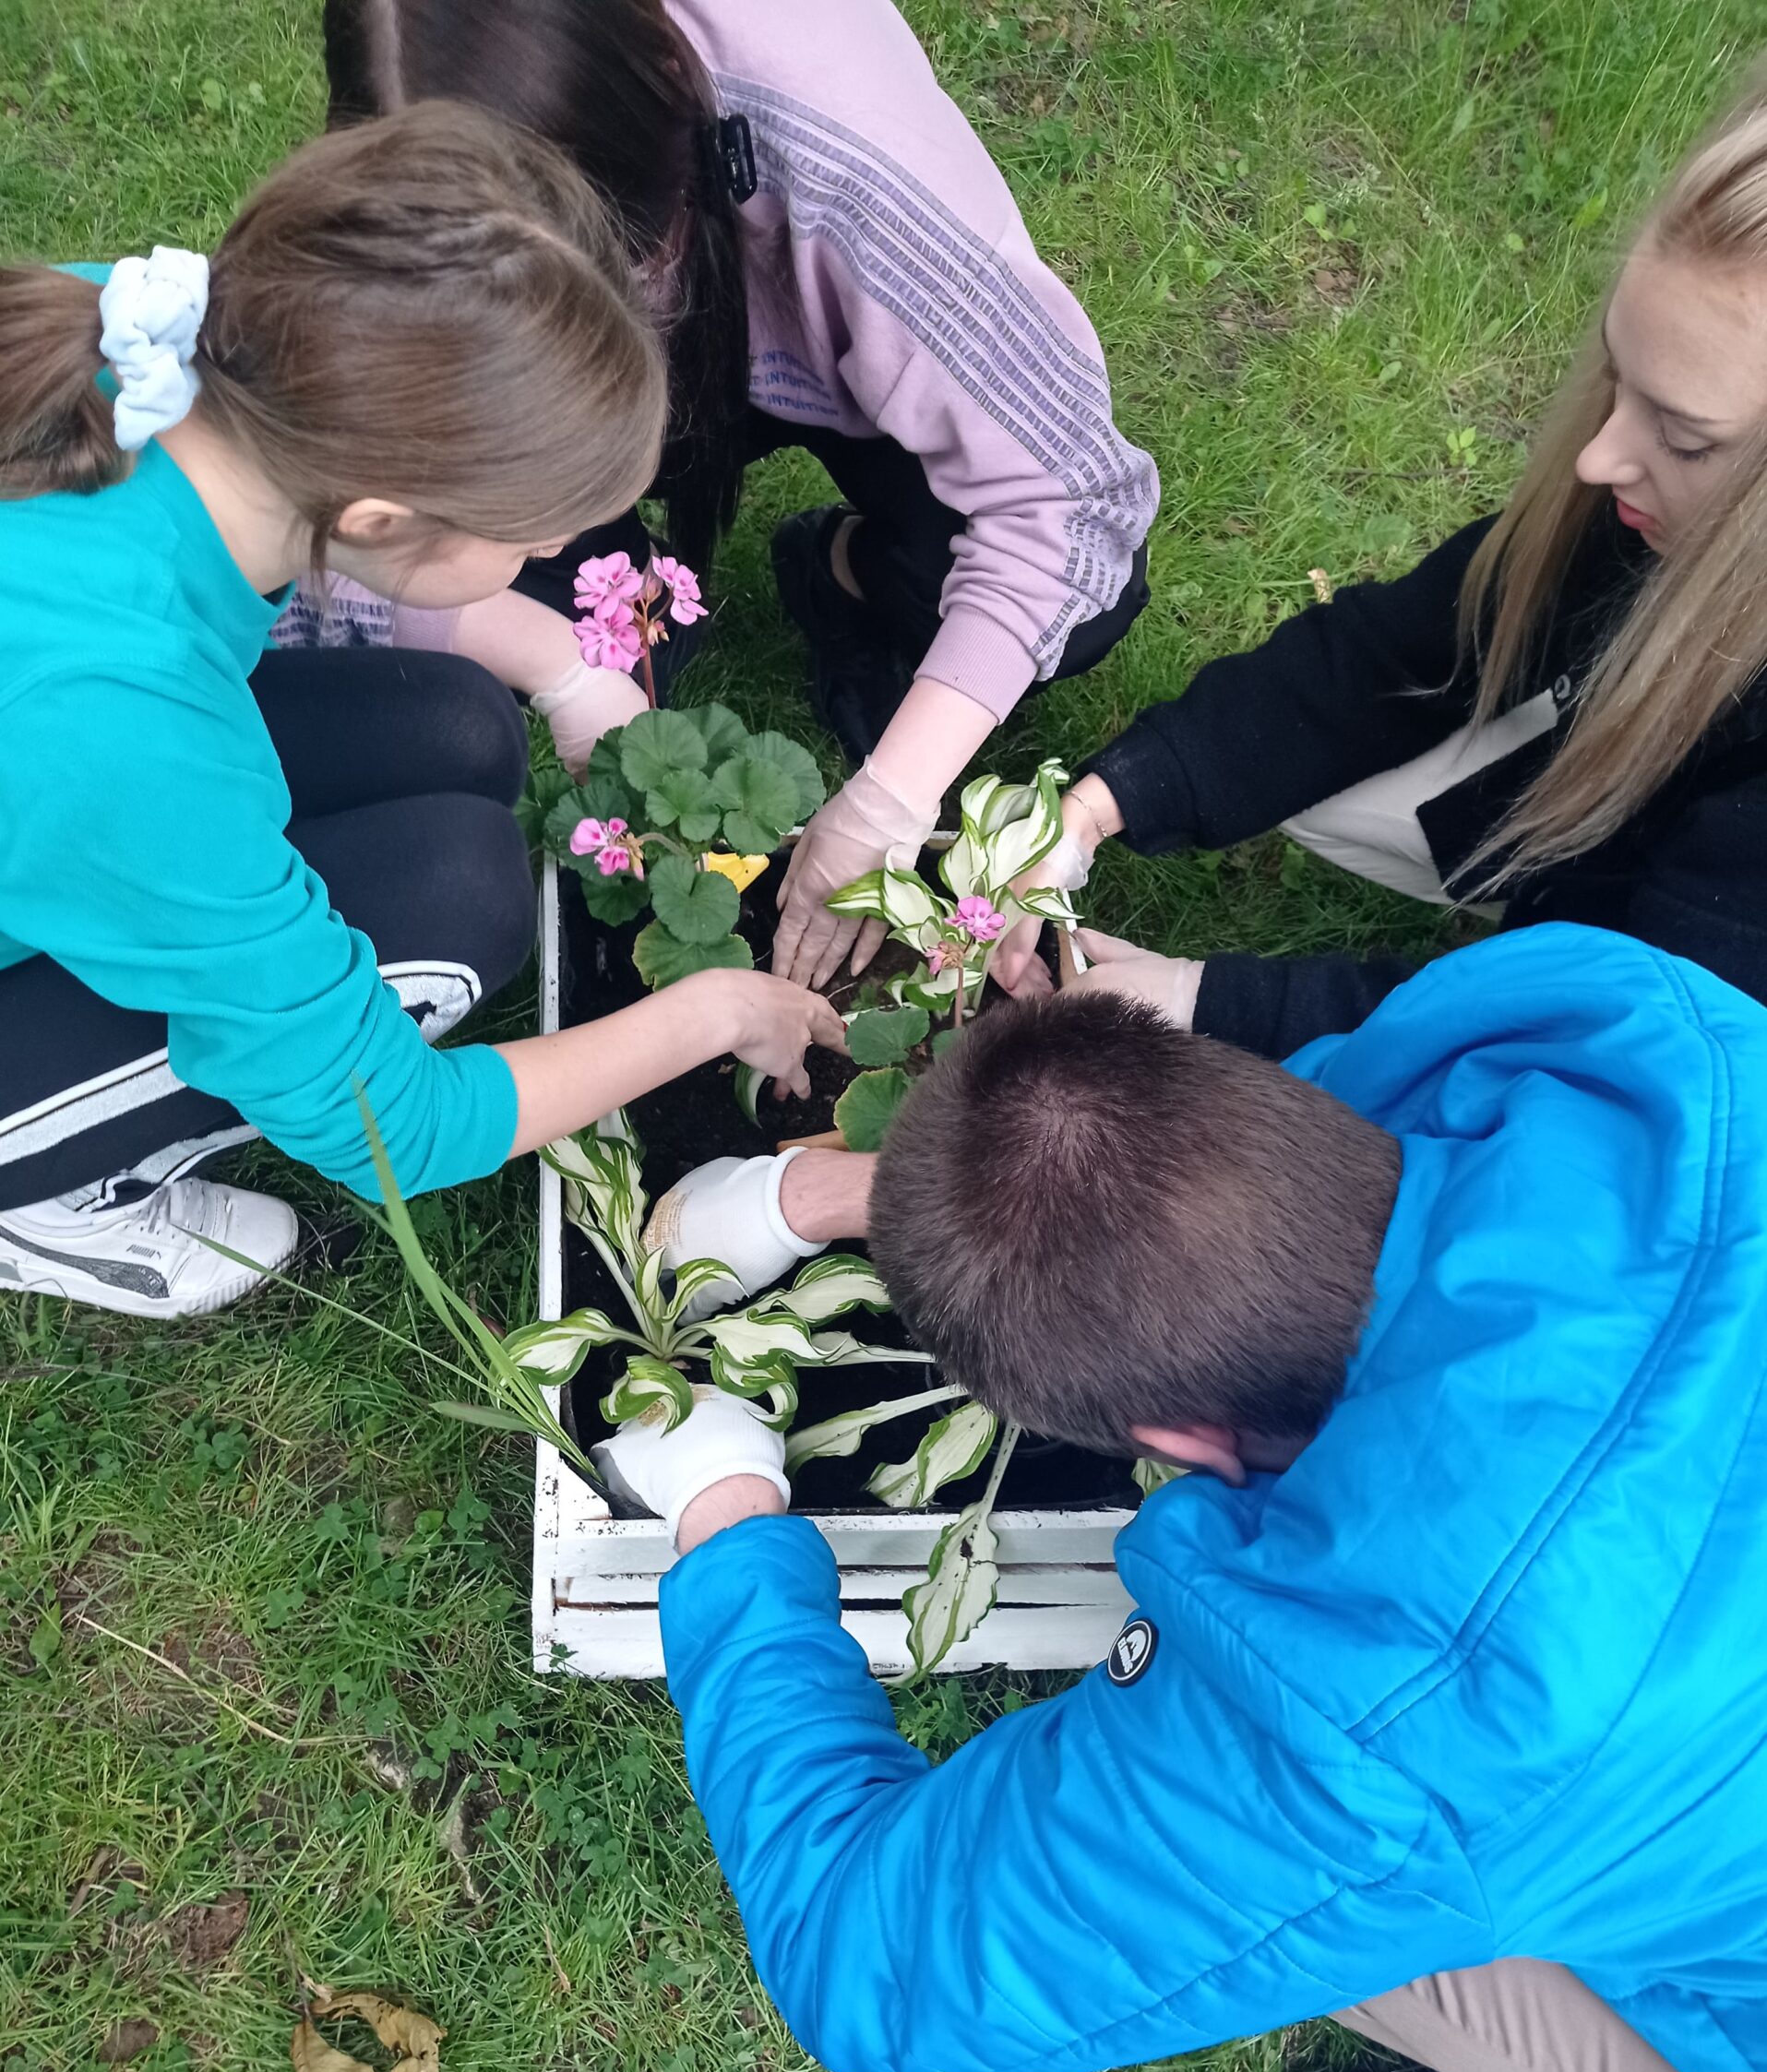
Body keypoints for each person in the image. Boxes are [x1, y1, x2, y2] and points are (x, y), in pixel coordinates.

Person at [598, 923, 1767, 2072]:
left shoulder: (1385, 1720)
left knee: (1312, 1909)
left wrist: (728, 1518)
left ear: (1179, 1439)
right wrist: (853, 1195)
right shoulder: (1637, 1030)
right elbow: (1315, 1138)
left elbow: (871, 1954)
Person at [0, 102, 840, 1320]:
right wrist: (711, 1009)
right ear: (386, 515)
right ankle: (44, 1197)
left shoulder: (146, 355)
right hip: (78, 778)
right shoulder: (117, 720)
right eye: (541, 527)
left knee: (458, 730)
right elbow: (392, 1127)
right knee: (452, 914)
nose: (561, 545)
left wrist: (553, 662)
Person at [317, 0, 1159, 978]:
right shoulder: (420, 117)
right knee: (485, 658)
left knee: (1068, 609)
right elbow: (333, 518)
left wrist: (895, 794)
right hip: (657, 308)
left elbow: (1069, 503)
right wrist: (555, 656)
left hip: (808, 340)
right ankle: (615, 577)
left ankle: (836, 570)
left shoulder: (858, 175)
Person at [994, 66, 1767, 1055]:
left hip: (1712, 1044)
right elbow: (1386, 656)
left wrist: (1202, 1000)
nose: (1597, 457)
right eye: (1618, 380)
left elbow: (1623, 1035)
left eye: (1685, 438)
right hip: (1648, 849)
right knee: (1323, 774)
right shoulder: (1633, 500)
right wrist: (1098, 807)